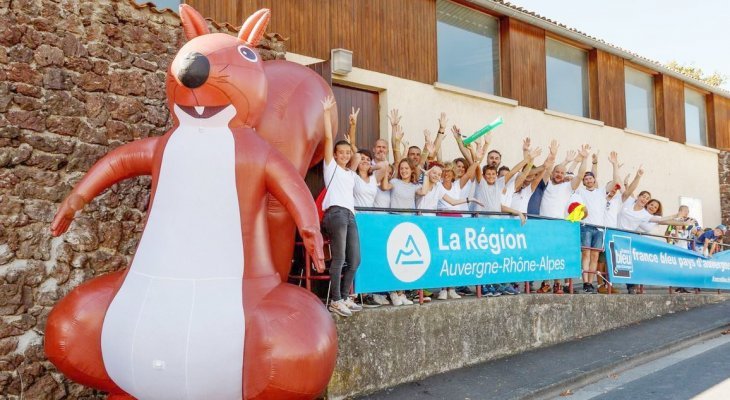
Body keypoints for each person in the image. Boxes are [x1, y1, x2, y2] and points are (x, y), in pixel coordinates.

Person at [320, 97, 363, 317]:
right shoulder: (331, 168)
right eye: (341, 153)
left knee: (354, 260)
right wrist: (327, 113)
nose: (346, 155)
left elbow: (356, 154)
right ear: (335, 155)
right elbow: (329, 137)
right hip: (335, 213)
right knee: (339, 259)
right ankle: (335, 300)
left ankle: (345, 296)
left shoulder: (350, 172)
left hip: (350, 216)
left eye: (347, 153)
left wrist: (353, 125)